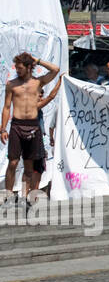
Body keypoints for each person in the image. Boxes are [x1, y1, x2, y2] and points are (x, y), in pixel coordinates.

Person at [1, 52, 61, 209]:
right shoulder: (12, 84)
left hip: (33, 126)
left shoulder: (37, 82)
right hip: (17, 125)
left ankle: (28, 198)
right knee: (13, 162)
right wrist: (2, 129)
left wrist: (38, 61)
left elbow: (55, 69)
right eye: (16, 68)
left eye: (20, 68)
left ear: (29, 67)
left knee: (29, 166)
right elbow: (7, 108)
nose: (17, 71)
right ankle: (7, 196)